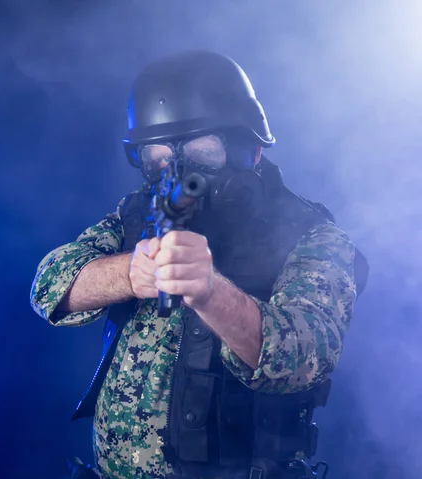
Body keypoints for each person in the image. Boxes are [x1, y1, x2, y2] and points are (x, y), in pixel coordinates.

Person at [30, 50, 368, 479]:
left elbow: (304, 360)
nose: (178, 172)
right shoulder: (137, 217)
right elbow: (48, 288)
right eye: (158, 157)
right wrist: (128, 274)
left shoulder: (311, 237)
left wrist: (210, 292)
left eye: (201, 151)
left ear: (252, 152)